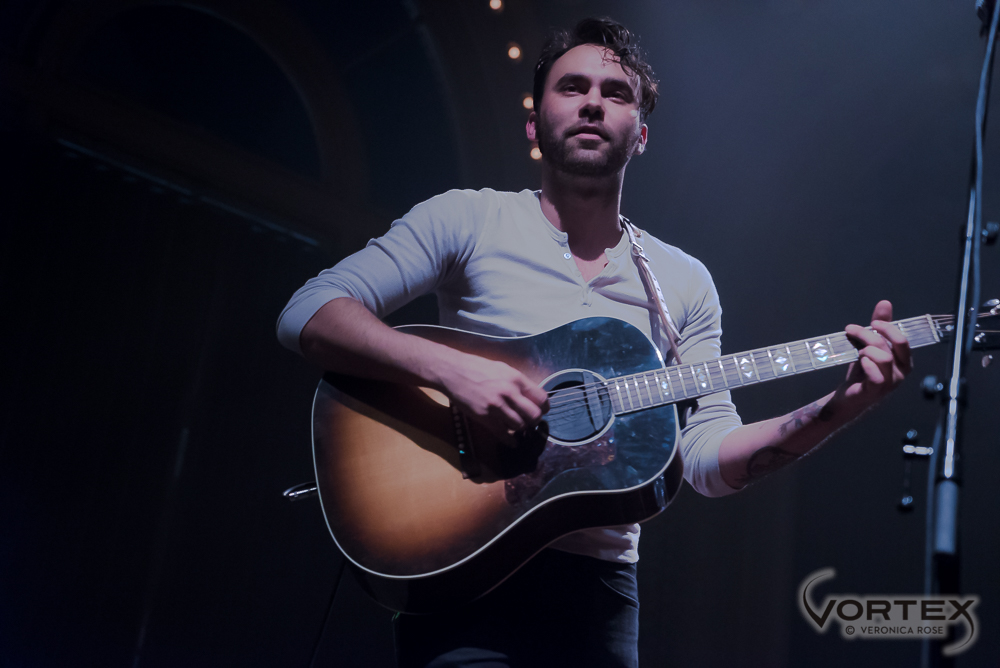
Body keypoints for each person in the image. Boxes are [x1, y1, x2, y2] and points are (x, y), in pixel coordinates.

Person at [277, 17, 912, 668]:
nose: (591, 102)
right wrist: (454, 371)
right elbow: (310, 313)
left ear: (639, 135)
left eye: (615, 92)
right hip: (461, 570)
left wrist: (841, 406)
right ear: (534, 123)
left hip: (600, 598)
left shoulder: (683, 281)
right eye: (572, 86)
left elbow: (708, 462)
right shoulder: (467, 219)